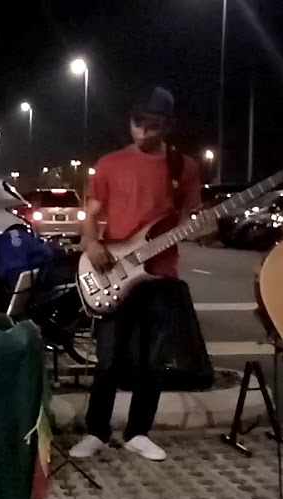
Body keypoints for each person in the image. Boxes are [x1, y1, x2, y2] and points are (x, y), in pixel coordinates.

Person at [68, 88, 202, 462]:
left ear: (168, 125)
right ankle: (96, 431)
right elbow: (91, 214)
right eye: (137, 123)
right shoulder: (110, 164)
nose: (143, 132)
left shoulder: (183, 167)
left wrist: (200, 225)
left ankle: (139, 433)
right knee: (108, 358)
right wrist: (92, 244)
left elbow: (192, 217)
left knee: (153, 361)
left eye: (153, 126)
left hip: (161, 277)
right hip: (116, 268)